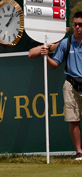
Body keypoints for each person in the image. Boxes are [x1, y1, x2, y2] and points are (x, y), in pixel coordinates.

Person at [40, 11, 82, 160]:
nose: (77, 27)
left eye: (80, 24)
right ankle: (79, 152)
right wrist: (45, 56)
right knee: (73, 119)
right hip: (71, 84)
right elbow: (54, 65)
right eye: (75, 24)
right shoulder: (66, 43)